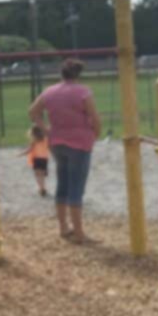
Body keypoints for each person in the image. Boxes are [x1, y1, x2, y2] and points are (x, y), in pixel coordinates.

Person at [29, 58, 101, 243]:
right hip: (79, 142)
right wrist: (95, 134)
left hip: (57, 141)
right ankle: (79, 233)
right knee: (76, 187)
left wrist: (45, 129)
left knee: (63, 184)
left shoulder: (50, 91)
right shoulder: (83, 92)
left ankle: (63, 227)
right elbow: (95, 117)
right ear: (78, 74)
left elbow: (33, 112)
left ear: (62, 73)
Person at [20, 124, 50, 197]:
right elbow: (50, 147)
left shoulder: (34, 141)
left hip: (37, 159)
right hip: (44, 159)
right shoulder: (46, 139)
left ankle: (41, 188)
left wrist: (21, 154)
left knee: (37, 175)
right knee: (42, 175)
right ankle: (43, 187)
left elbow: (29, 150)